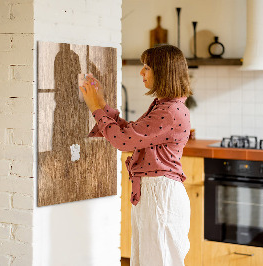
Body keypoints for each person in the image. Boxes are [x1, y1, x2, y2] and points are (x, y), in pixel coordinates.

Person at [79, 44, 192, 266]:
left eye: (147, 67)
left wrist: (95, 108)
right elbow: (131, 133)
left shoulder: (169, 111)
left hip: (160, 195)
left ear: (163, 71)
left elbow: (123, 141)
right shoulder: (165, 106)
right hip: (154, 193)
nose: (141, 72)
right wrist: (102, 104)